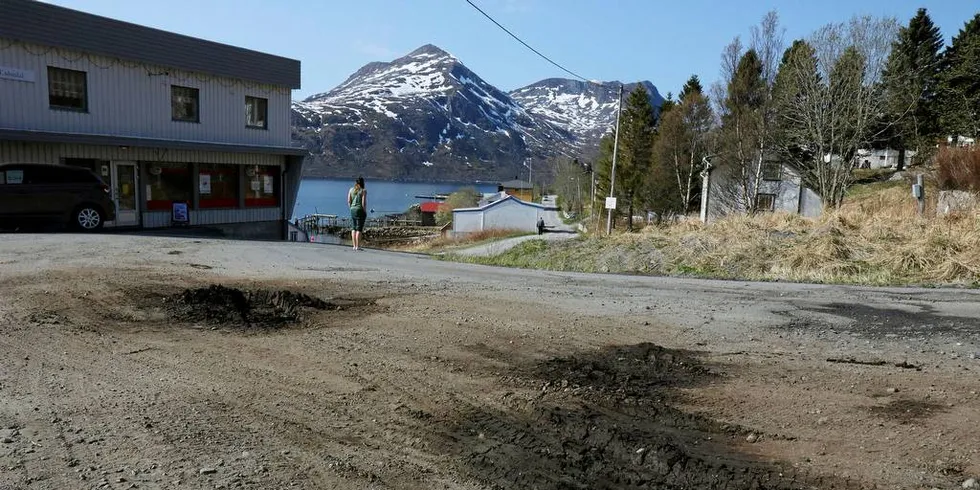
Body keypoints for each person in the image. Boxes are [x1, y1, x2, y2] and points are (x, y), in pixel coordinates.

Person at [347, 177, 367, 250]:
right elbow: (363, 203)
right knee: (359, 228)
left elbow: (349, 201)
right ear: (362, 183)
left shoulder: (351, 189)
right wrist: (365, 211)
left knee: (354, 227)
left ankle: (354, 246)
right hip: (359, 210)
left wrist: (351, 208)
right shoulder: (363, 191)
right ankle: (358, 246)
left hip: (352, 209)